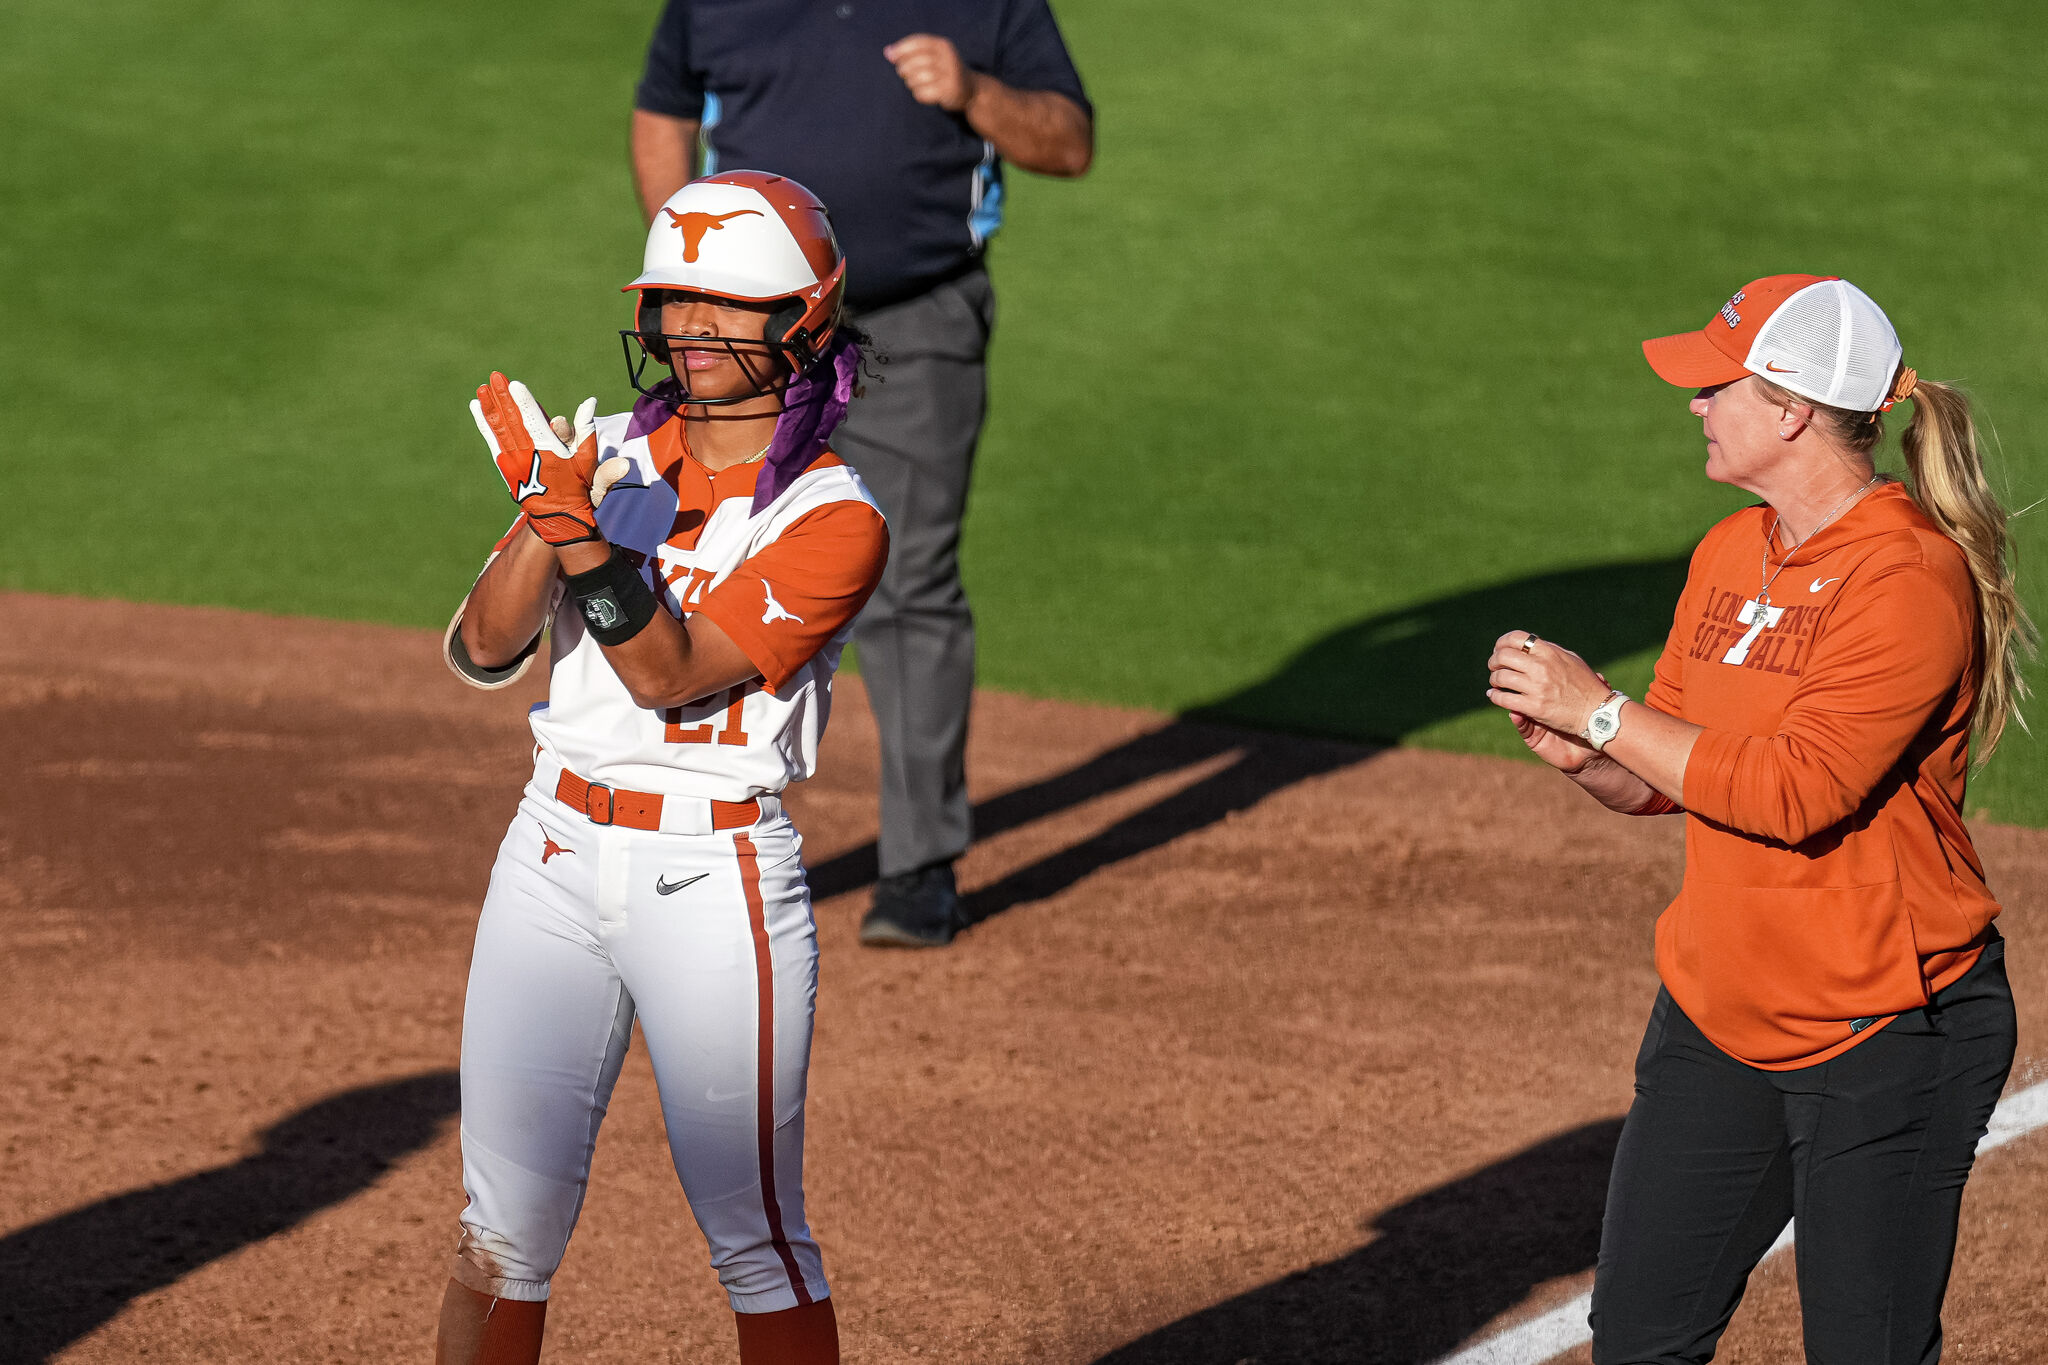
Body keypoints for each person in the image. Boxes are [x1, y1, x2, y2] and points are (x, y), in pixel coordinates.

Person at [1484, 274, 2034, 1364]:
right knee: (1638, 1340)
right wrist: (1586, 755)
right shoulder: (1730, 554)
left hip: (1884, 1029)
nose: (1692, 404)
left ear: (1787, 409)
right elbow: (1667, 770)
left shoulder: (1906, 576)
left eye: (1712, 385)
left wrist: (1599, 707)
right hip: (1718, 1011)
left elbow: (1795, 793)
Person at [432, 171, 886, 1365]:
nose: (689, 329)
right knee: (499, 1235)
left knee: (754, 1234)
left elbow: (671, 672)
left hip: (711, 876)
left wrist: (580, 530)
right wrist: (545, 512)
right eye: (673, 301)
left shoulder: (832, 519)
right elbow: (483, 650)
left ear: (804, 318)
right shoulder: (608, 454)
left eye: (725, 305)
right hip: (547, 854)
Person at [631, 0, 1094, 947]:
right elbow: (663, 112)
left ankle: (920, 864)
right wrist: (695, 290)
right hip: (753, 334)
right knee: (689, 546)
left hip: (917, 320)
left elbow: (1069, 141)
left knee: (913, 580)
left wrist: (974, 93)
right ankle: (666, 837)